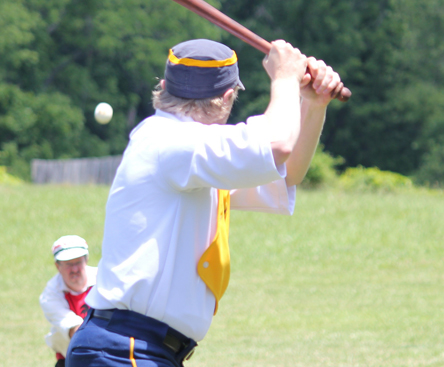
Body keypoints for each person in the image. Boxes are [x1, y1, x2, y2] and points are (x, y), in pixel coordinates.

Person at [66, 38, 342, 367]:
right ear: (227, 97)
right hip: (127, 348)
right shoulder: (175, 142)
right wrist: (284, 78)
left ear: (166, 87)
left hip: (135, 349)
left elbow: (287, 172)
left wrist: (313, 104)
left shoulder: (186, 152)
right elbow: (278, 145)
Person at [39, 235, 97, 367]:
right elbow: (75, 330)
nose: (74, 269)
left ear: (86, 260)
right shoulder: (50, 295)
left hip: (105, 353)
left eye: (78, 262)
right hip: (70, 358)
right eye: (68, 264)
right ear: (57, 266)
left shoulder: (103, 281)